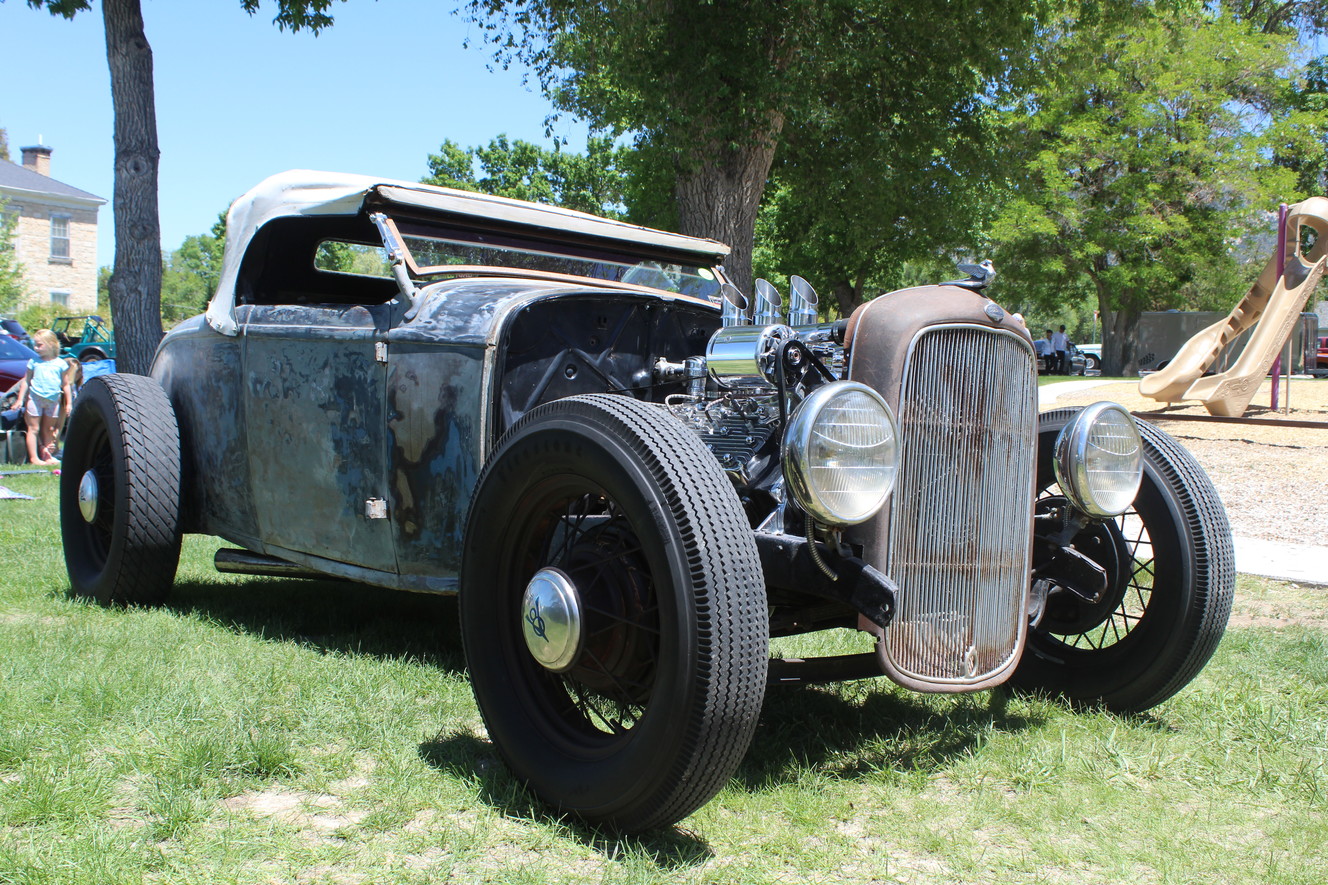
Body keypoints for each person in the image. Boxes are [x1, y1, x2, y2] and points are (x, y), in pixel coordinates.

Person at [13, 329, 74, 466]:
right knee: (33, 428)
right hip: (35, 399)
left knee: (48, 429)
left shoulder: (60, 364)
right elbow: (26, 381)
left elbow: (66, 385)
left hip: (53, 400)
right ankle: (34, 458)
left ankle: (47, 455)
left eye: (39, 345)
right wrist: (20, 400)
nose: (36, 348)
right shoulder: (33, 362)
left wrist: (69, 403)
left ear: (51, 344)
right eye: (35, 345)